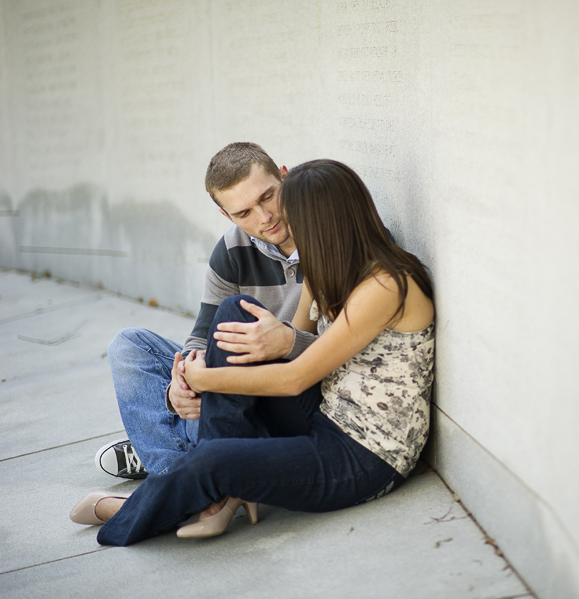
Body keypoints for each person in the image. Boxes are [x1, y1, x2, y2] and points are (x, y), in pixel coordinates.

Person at [70, 159, 435, 546]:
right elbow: (292, 340)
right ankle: (218, 489)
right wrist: (207, 369)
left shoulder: (386, 285)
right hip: (326, 416)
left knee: (211, 463)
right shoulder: (328, 267)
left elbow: (296, 378)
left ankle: (143, 505)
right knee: (235, 315)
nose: (277, 225)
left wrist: (206, 379)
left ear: (325, 222)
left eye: (291, 216)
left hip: (366, 457)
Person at [96, 142, 317, 479]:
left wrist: (285, 342)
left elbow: (343, 347)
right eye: (243, 213)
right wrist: (180, 386)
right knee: (129, 345)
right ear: (226, 216)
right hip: (235, 386)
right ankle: (175, 462)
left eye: (267, 197)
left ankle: (169, 458)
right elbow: (202, 337)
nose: (264, 217)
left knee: (234, 324)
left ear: (285, 177)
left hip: (287, 392)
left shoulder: (329, 234)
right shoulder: (232, 249)